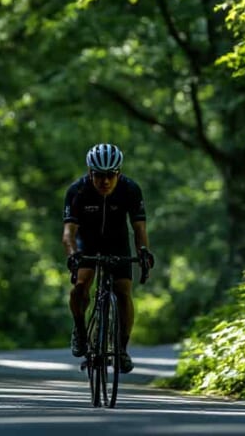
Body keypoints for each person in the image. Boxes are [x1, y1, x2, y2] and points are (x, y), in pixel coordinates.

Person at [62, 143, 155, 373]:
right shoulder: (77, 191)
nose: (105, 181)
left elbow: (139, 229)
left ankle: (122, 349)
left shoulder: (130, 189)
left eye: (111, 175)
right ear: (89, 172)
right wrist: (73, 255)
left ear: (119, 173)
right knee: (80, 287)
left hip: (118, 242)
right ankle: (80, 330)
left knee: (123, 292)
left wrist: (143, 252)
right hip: (87, 243)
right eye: (99, 175)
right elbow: (68, 234)